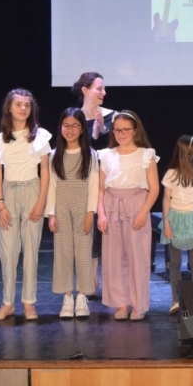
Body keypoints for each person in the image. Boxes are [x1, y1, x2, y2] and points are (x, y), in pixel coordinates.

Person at [0, 89, 52, 321]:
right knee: (8, 251)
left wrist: (40, 202)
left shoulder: (40, 136)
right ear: (10, 108)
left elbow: (45, 170)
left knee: (31, 251)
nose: (23, 108)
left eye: (27, 105)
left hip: (31, 191)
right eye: (19, 104)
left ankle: (29, 303)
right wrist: (0, 205)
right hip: (9, 192)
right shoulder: (0, 139)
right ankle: (7, 303)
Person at [98, 111, 160, 321]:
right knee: (114, 258)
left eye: (126, 129)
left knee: (137, 256)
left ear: (135, 131)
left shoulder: (145, 155)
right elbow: (100, 189)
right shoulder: (106, 155)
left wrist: (143, 212)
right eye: (117, 130)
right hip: (112, 204)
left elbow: (154, 188)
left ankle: (138, 304)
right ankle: (121, 303)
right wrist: (101, 214)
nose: (121, 134)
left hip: (136, 205)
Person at [46, 108, 99, 319]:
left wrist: (90, 212)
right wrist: (51, 213)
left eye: (75, 126)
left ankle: (82, 296)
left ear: (81, 129)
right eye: (66, 125)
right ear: (60, 127)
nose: (70, 130)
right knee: (63, 251)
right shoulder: (54, 155)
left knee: (84, 251)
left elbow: (94, 185)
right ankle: (67, 297)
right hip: (61, 203)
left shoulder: (90, 155)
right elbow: (51, 185)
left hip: (83, 203)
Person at [160, 135, 193, 314]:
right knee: (175, 262)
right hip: (176, 220)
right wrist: (166, 223)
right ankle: (175, 300)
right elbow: (166, 199)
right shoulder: (172, 174)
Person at [74, 72, 113, 294]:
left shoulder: (110, 116)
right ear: (85, 90)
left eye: (104, 89)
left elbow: (112, 147)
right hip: (82, 181)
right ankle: (86, 277)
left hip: (106, 181)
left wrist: (101, 128)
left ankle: (97, 277)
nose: (103, 93)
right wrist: (94, 129)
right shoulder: (74, 117)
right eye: (99, 88)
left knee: (101, 229)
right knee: (84, 229)